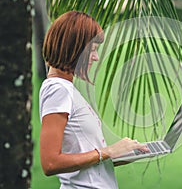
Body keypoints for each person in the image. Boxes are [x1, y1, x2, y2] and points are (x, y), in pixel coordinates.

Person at [39, 11, 148, 189]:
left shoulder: (66, 89)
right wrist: (107, 151)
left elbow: (84, 156)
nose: (96, 57)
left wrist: (121, 153)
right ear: (74, 47)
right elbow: (50, 163)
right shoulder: (58, 90)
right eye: (93, 49)